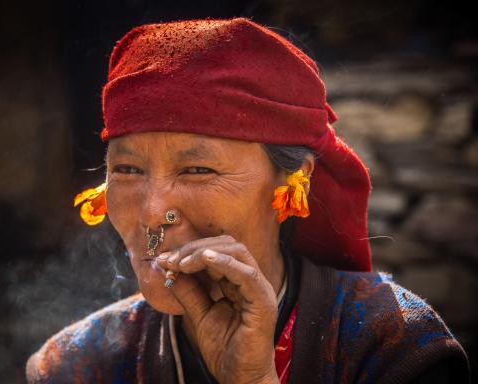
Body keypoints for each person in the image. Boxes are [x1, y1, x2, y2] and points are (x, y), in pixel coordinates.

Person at [25, 18, 469, 383]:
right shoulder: (76, 365)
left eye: (198, 170)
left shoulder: (396, 348)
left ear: (294, 183)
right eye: (126, 170)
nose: (151, 211)